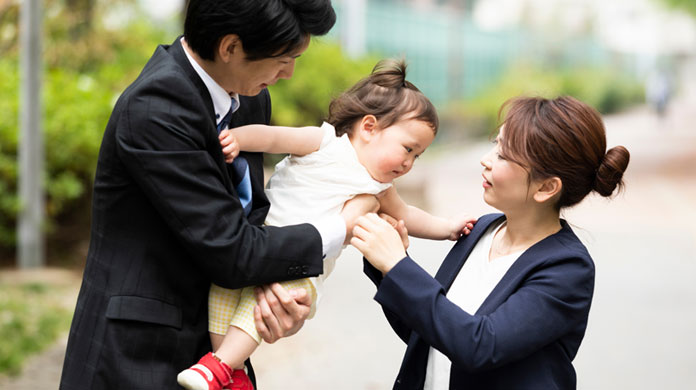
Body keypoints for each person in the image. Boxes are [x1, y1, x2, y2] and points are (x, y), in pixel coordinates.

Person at [59, 1, 376, 389]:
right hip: (138, 352)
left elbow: (252, 215)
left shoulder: (248, 95)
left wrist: (274, 296)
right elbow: (233, 249)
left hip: (213, 339)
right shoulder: (155, 109)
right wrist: (341, 226)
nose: (289, 74)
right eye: (283, 59)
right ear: (230, 48)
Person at [177, 59, 477, 390]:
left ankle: (217, 367)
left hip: (300, 270)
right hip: (258, 242)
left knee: (258, 311)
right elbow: (274, 139)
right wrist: (237, 137)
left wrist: (448, 228)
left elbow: (407, 214)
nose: (408, 162)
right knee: (223, 291)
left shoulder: (378, 187)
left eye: (417, 156)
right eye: (408, 148)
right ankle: (227, 368)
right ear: (368, 127)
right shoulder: (323, 142)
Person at [351, 95, 631, 389]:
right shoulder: (481, 229)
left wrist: (399, 265)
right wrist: (384, 263)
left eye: (503, 155)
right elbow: (431, 331)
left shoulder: (568, 269)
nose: (485, 159)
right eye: (495, 144)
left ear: (546, 187)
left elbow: (480, 346)